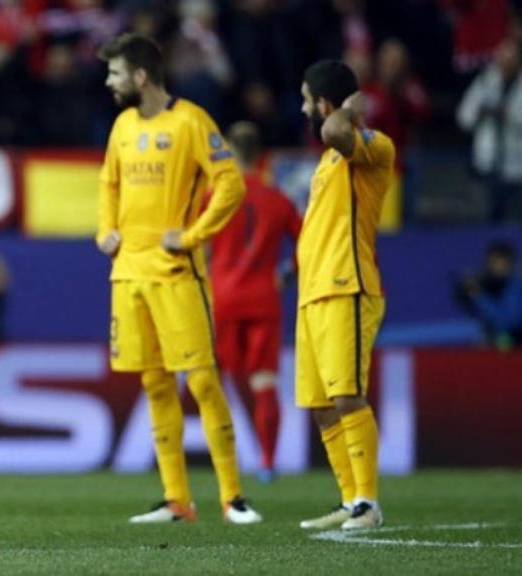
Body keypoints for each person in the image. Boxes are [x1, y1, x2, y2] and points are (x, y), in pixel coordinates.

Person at [96, 33, 263, 525]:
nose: (109, 81)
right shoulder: (122, 126)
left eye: (115, 73)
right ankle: (177, 501)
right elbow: (109, 183)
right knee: (155, 384)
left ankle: (232, 497)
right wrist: (105, 230)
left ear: (140, 76)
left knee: (205, 382)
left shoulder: (190, 121)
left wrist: (193, 235)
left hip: (176, 274)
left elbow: (229, 183)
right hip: (129, 273)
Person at [295, 60, 393, 530]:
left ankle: (368, 503)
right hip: (313, 295)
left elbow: (336, 129)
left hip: (346, 286)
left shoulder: (372, 147)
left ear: (326, 103)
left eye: (307, 98)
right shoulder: (328, 159)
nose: (302, 108)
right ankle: (349, 498)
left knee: (349, 395)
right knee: (320, 405)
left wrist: (350, 109)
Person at [209, 122, 301, 484]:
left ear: (230, 151)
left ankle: (223, 462)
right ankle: (266, 461)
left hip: (223, 299)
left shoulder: (217, 194)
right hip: (264, 298)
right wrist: (286, 274)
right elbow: (308, 241)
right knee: (263, 382)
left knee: (213, 383)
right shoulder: (278, 198)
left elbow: (196, 237)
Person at [457, 37, 522, 222]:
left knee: (515, 225)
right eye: (502, 60)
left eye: (511, 60)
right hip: (487, 164)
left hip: (517, 169)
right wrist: (480, 113)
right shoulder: (486, 81)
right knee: (484, 223)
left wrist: (509, 114)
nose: (506, 65)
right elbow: (463, 117)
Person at [455, 240, 522, 350]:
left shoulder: (517, 286)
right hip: (496, 342)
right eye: (491, 262)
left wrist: (478, 295)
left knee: (502, 341)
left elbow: (506, 321)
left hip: (516, 345)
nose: (494, 267)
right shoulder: (488, 284)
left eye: (499, 262)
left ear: (509, 263)